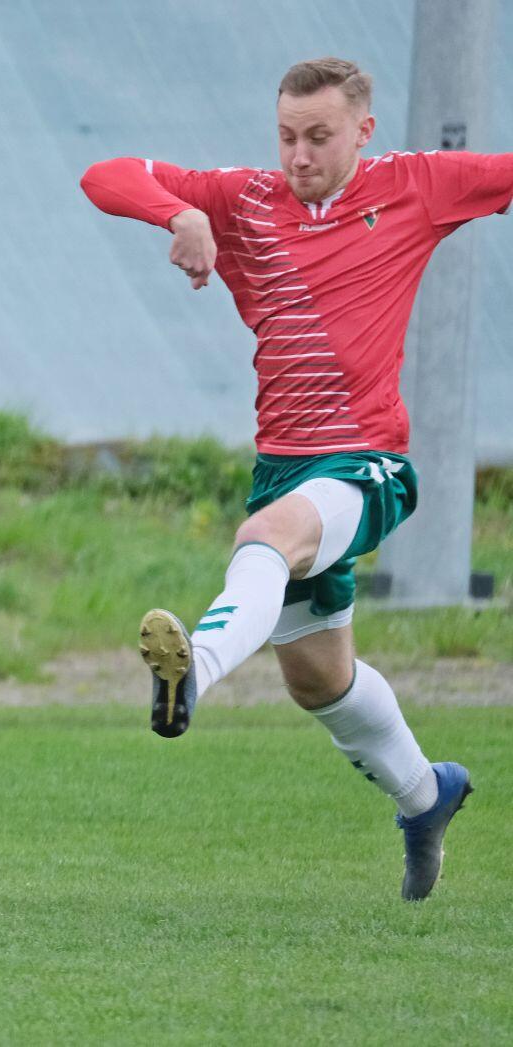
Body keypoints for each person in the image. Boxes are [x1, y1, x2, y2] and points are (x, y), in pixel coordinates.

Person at [80, 57, 512, 900]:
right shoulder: (243, 200)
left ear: (363, 131)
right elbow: (105, 174)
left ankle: (194, 672)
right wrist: (179, 213)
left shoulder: (416, 185)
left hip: (367, 461)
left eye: (319, 136)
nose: (299, 154)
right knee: (318, 679)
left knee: (267, 536)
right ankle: (426, 796)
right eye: (287, 135)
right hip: (284, 463)